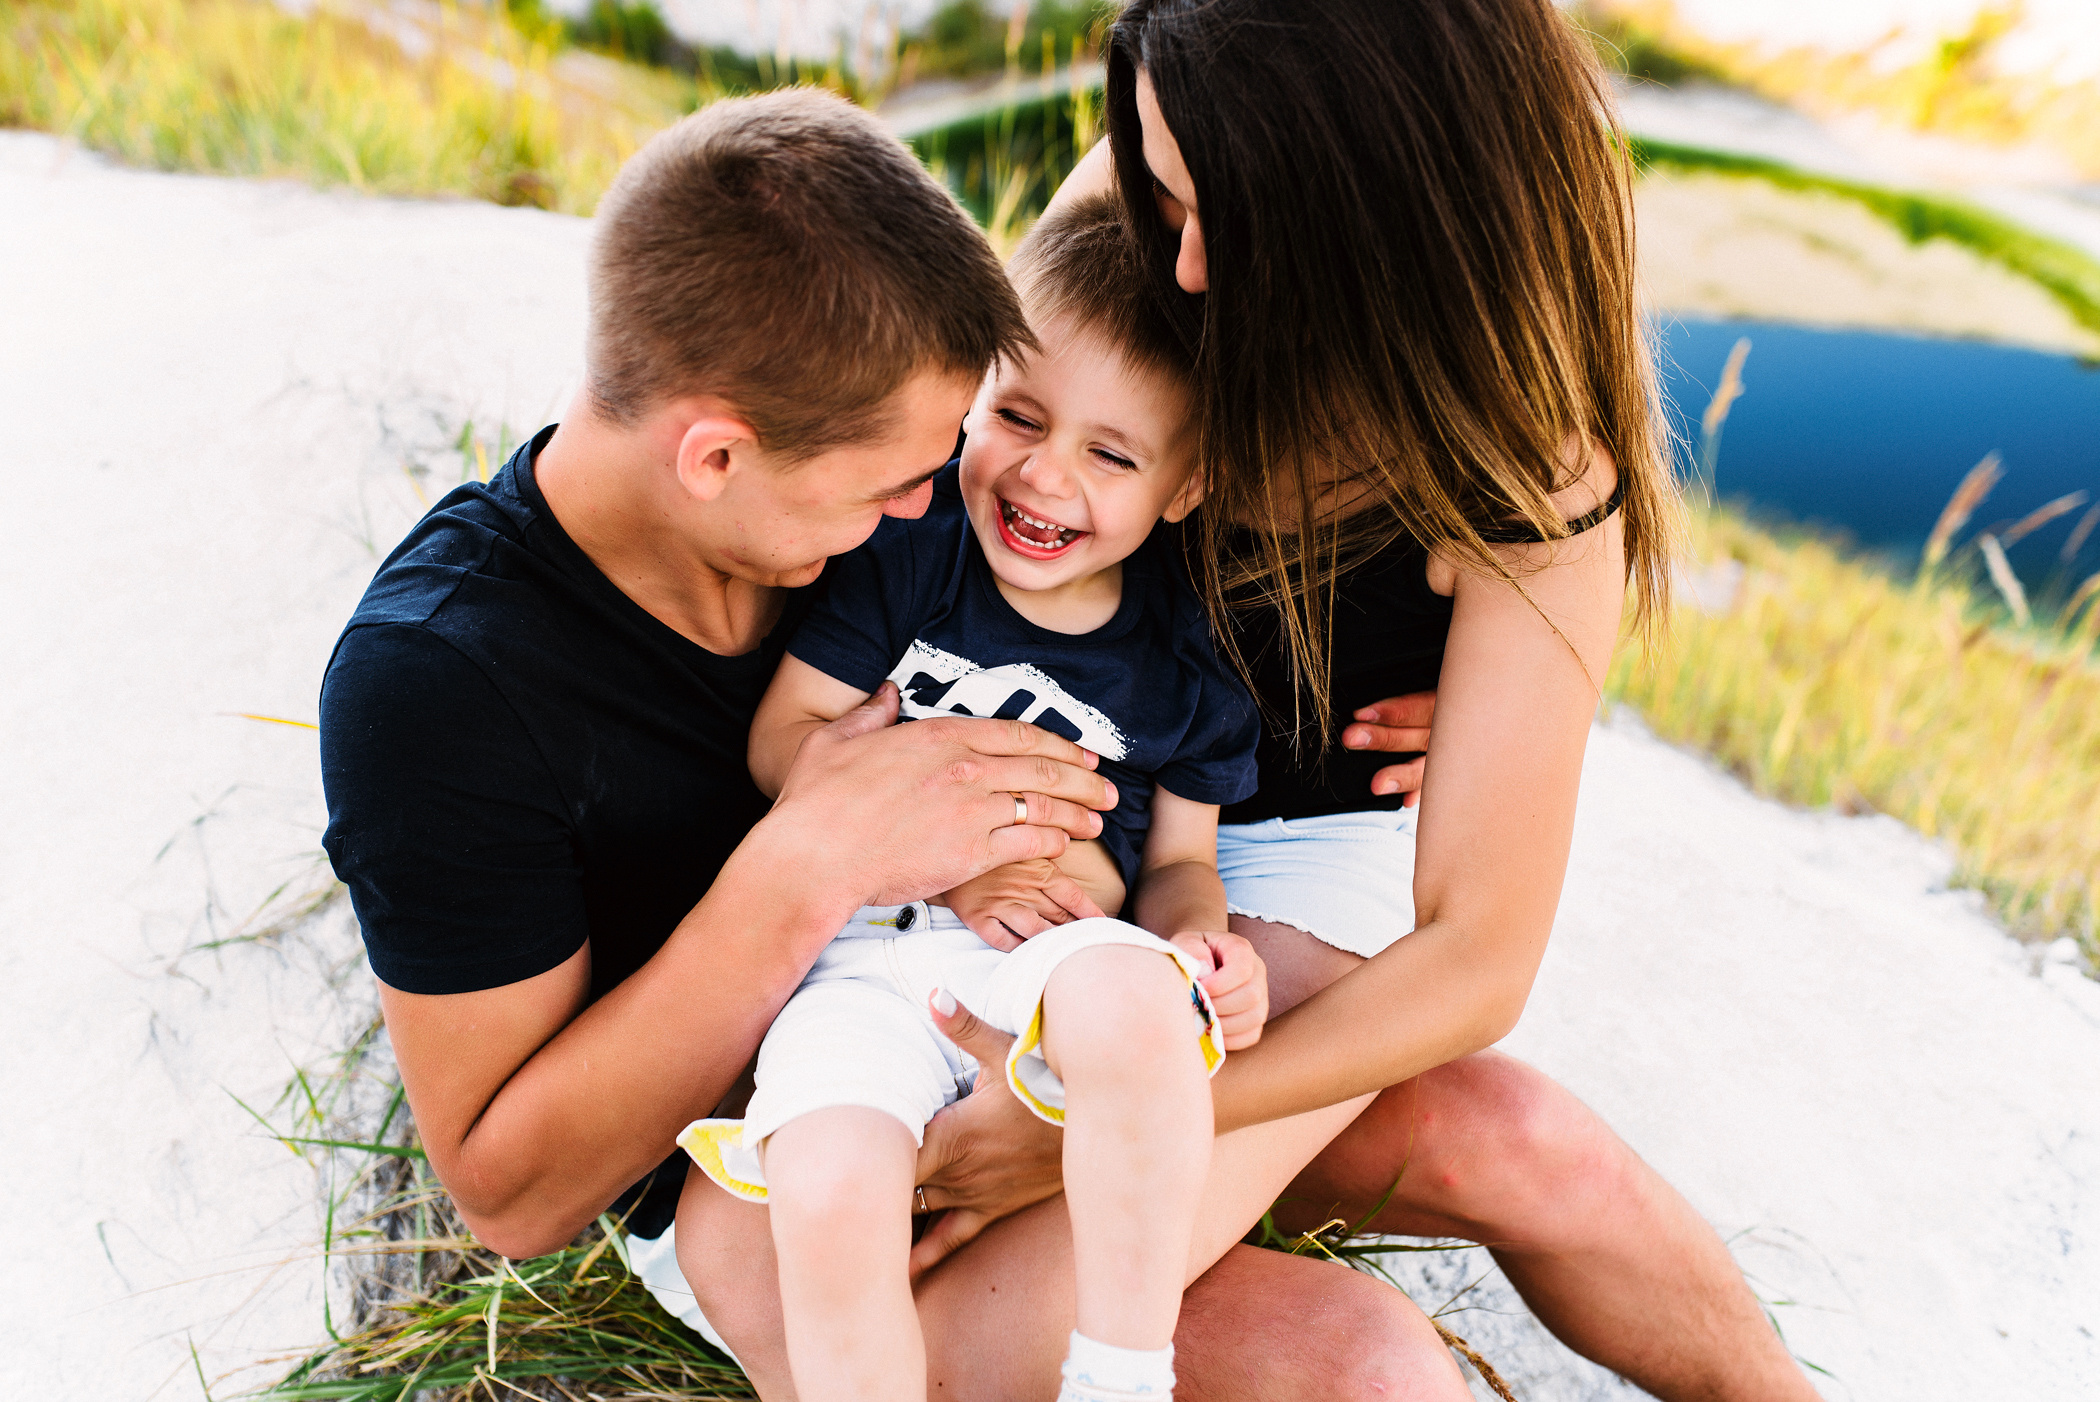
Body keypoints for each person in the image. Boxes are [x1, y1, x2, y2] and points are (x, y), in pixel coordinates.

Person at [678, 3, 1821, 1399]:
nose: (1189, 265)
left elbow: (1476, 959)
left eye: (1245, 214)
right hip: (1077, 796)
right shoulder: (1154, 201)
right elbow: (981, 449)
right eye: (1165, 189)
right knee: (1506, 1142)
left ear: (1397, 206)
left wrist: (1109, 1111)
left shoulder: (1524, 467)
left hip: (1278, 895)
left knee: (950, 1301)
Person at [680, 196, 1265, 1402]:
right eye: (1017, 416)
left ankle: (1118, 1374)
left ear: (1187, 486)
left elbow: (1179, 866)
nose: (1045, 475)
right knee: (829, 1182)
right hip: (854, 951)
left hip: (1050, 951)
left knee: (1143, 1009)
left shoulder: (1186, 657)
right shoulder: (915, 553)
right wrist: (940, 855)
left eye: (1111, 454)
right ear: (975, 391)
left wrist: (1203, 940)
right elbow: (782, 739)